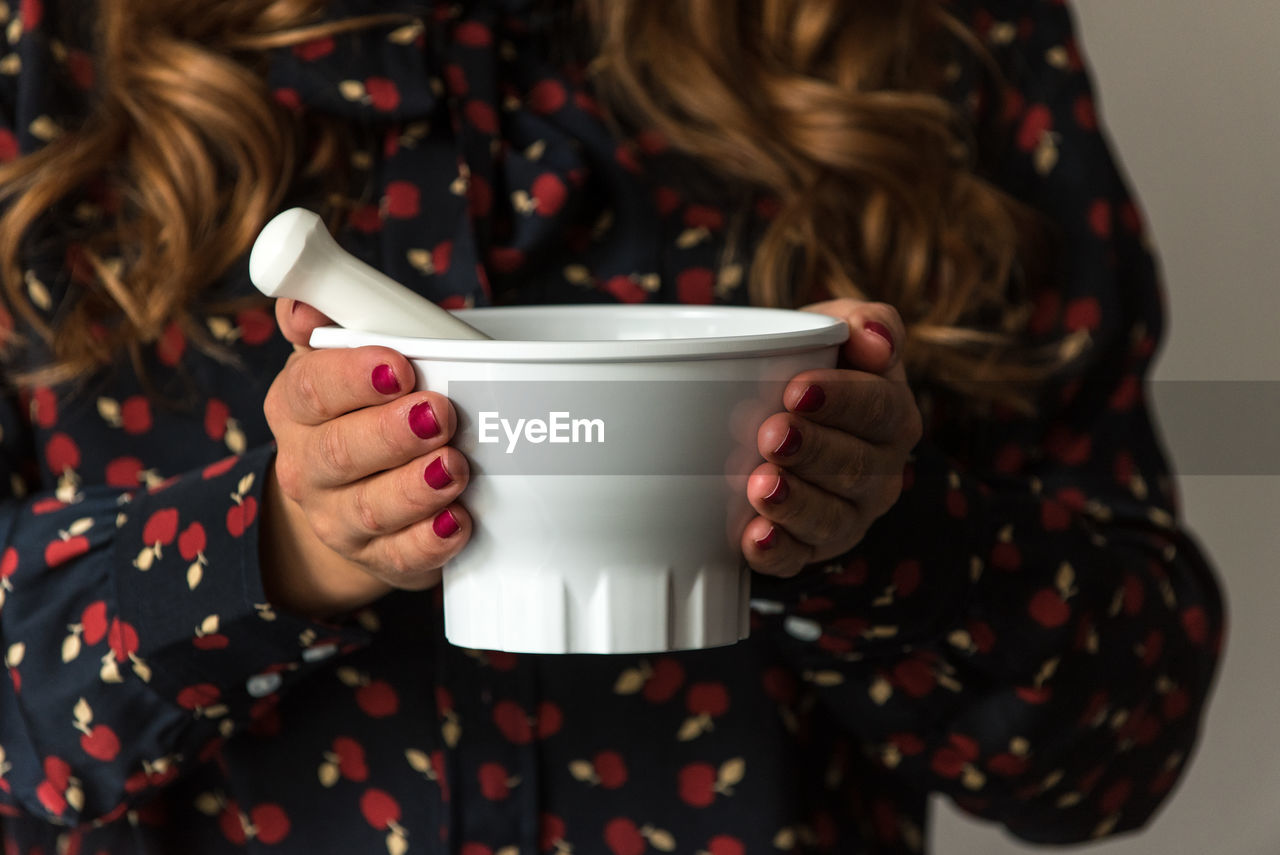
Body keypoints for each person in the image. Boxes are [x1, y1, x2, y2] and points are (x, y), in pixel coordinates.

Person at [0, 0, 1224, 853]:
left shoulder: (930, 37)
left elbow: (1123, 745)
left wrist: (874, 531)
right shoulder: (49, 55)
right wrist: (278, 544)